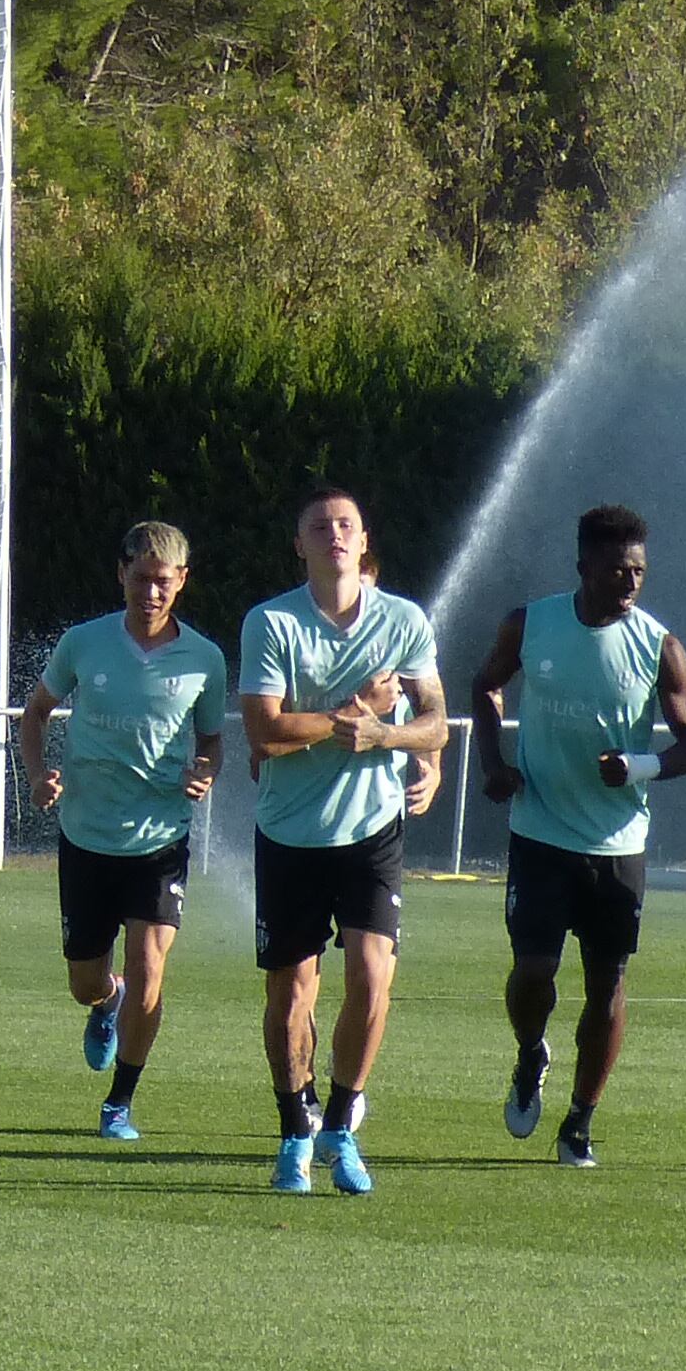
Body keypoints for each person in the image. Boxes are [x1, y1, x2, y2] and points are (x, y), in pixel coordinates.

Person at [469, 503, 686, 1168]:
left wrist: (638, 766)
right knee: (533, 971)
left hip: (617, 846)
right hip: (540, 833)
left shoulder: (659, 645)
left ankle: (579, 1121)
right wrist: (493, 766)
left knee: (608, 984)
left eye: (638, 571)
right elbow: (484, 686)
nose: (629, 583)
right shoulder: (531, 624)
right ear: (583, 568)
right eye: (615, 571)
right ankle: (529, 1053)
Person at [236, 485, 443, 1199]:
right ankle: (295, 1129)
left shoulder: (405, 620)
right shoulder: (270, 623)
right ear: (299, 544)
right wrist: (352, 715)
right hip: (290, 833)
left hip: (373, 829)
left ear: (363, 540)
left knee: (371, 976)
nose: (334, 534)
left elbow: (436, 722)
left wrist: (391, 736)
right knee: (292, 992)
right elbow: (265, 732)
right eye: (319, 525)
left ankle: (342, 1125)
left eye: (346, 524)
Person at [15, 519, 232, 1148]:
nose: (151, 593)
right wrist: (37, 775)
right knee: (87, 979)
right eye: (141, 579)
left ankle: (121, 1101)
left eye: (163, 582)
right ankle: (106, 1002)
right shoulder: (85, 643)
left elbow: (212, 739)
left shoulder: (205, 659)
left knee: (150, 965)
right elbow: (34, 715)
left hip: (160, 840)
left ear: (182, 582)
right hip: (86, 837)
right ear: (122, 575)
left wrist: (205, 771)